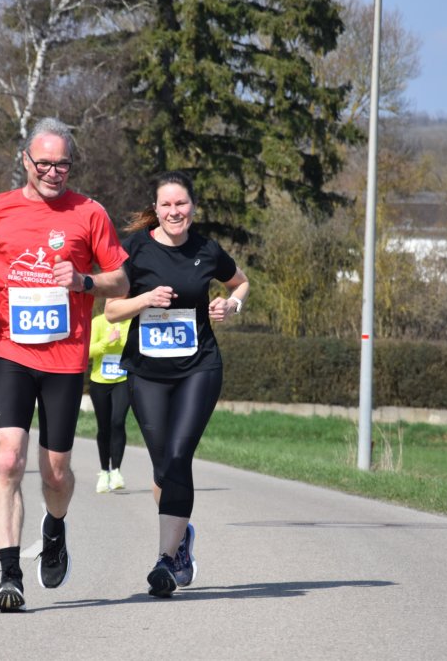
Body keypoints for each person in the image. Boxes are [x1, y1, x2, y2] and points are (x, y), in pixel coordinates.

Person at [0, 116, 130, 612]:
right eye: (44, 163)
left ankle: (55, 527)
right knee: (8, 458)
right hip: (8, 347)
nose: (53, 172)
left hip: (65, 357)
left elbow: (121, 279)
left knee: (55, 473)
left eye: (62, 164)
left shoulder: (90, 212)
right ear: (26, 160)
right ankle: (10, 575)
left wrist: (84, 281)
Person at [104, 170, 249, 598]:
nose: (174, 211)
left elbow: (241, 282)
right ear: (156, 208)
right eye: (166, 204)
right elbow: (111, 310)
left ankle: (165, 561)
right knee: (163, 467)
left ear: (193, 207)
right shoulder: (134, 249)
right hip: (146, 371)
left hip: (198, 367)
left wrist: (231, 305)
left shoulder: (207, 250)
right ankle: (182, 537)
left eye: (181, 203)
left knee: (179, 456)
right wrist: (145, 300)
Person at [87, 312, 131, 493]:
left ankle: (116, 471)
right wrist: (107, 341)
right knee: (104, 426)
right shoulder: (98, 322)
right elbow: (88, 351)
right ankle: (104, 471)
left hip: (123, 380)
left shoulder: (132, 321)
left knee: (118, 421)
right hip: (100, 381)